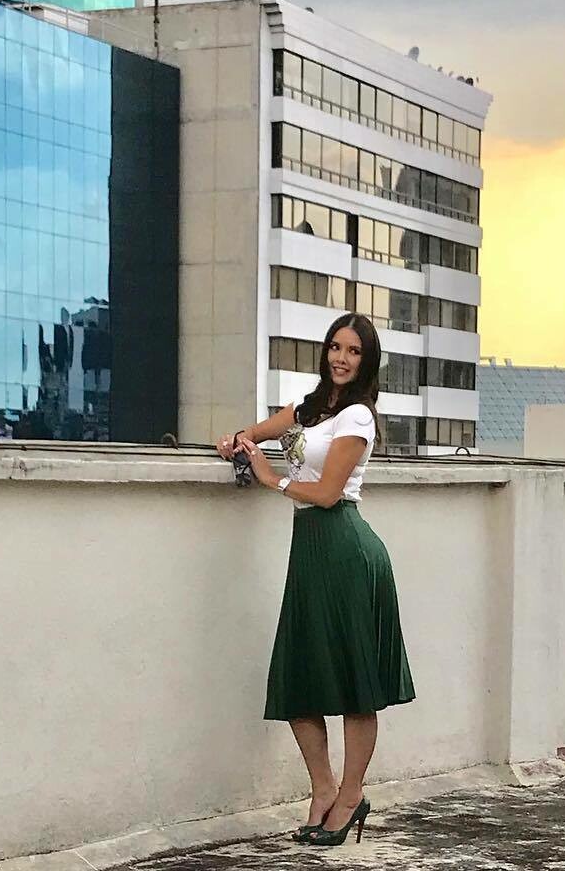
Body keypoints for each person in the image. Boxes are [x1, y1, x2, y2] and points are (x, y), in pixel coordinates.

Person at [215, 312, 415, 846]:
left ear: (367, 361)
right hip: (309, 553)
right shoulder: (310, 407)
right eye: (335, 347)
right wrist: (237, 439)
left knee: (354, 684)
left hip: (346, 550)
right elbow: (261, 430)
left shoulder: (358, 417)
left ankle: (351, 795)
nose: (341, 358)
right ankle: (323, 789)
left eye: (353, 351)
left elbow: (327, 494)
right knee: (298, 679)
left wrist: (271, 479)